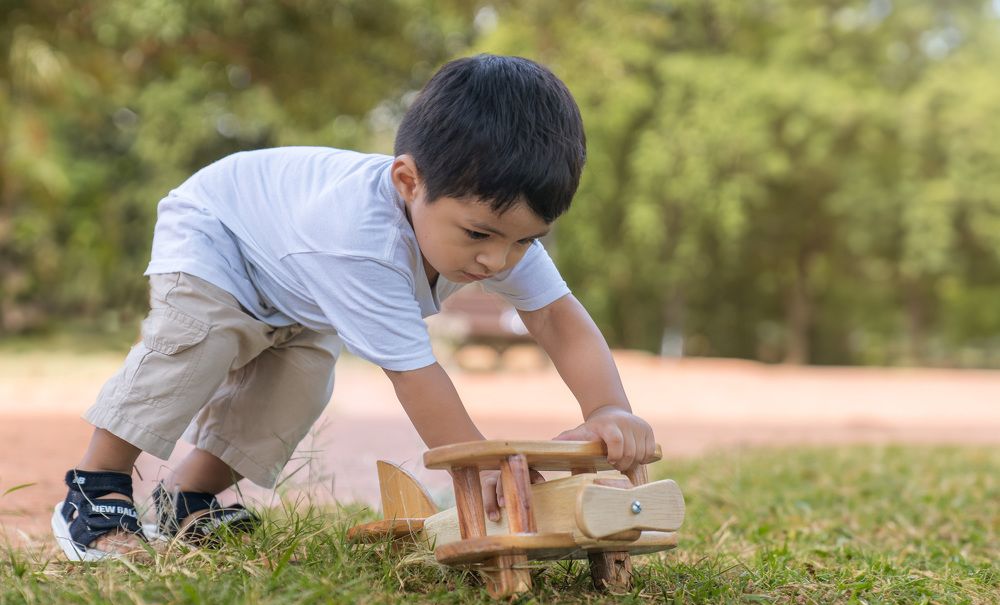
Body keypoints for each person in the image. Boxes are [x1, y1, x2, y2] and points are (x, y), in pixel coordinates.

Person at [51, 54, 658, 561]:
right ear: (407, 182)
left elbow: (556, 317)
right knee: (198, 340)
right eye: (479, 236)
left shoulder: (496, 234)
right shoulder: (363, 244)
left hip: (299, 283)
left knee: (299, 384)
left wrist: (608, 407)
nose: (499, 261)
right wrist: (484, 468)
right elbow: (417, 377)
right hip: (221, 234)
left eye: (526, 239)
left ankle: (187, 499)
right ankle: (96, 485)